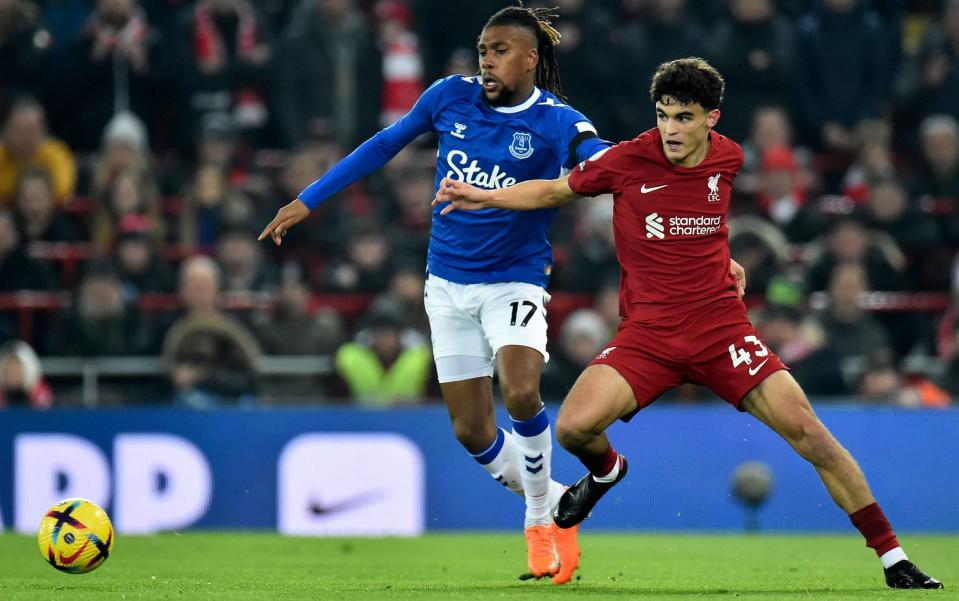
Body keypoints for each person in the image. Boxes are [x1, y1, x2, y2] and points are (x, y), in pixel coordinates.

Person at [433, 57, 943, 590]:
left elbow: (706, 221)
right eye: (663, 116)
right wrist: (483, 196)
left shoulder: (729, 159)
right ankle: (608, 470)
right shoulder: (628, 159)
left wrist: (725, 260)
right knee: (573, 428)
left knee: (811, 434)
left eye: (683, 118)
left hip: (723, 333)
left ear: (711, 119)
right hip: (648, 338)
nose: (669, 130)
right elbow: (552, 191)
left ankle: (893, 558)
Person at [258, 4, 611, 584]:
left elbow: (599, 160)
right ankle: (559, 502)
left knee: (520, 392)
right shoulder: (450, 96)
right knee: (471, 430)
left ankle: (539, 519)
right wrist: (308, 199)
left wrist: (631, 165)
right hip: (446, 284)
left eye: (499, 51)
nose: (487, 61)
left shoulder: (557, 122)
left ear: (530, 58)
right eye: (482, 51)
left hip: (514, 279)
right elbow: (382, 145)